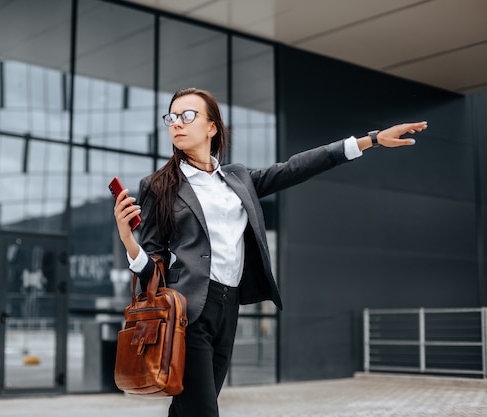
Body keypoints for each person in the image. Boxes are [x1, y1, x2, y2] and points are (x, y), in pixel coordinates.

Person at [112, 87, 427, 417]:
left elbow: (296, 167)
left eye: (187, 115)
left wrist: (371, 140)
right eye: (172, 117)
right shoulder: (160, 185)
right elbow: (154, 265)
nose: (177, 123)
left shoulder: (238, 179)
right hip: (187, 312)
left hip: (228, 306)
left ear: (211, 127)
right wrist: (127, 239)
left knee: (190, 408)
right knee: (203, 410)